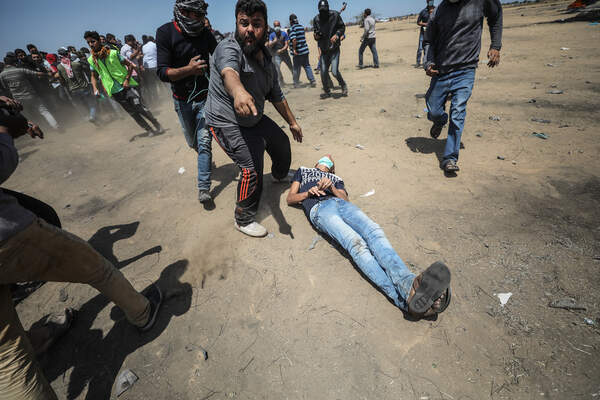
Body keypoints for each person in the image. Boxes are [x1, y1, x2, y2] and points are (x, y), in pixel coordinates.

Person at [0, 95, 163, 400]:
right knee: (96, 267)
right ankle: (142, 312)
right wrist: (6, 133)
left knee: (7, 357)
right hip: (7, 237)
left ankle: (34, 340)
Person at [286, 155, 451, 318]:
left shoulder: (335, 177)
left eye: (329, 161)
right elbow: (290, 198)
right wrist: (308, 193)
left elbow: (345, 199)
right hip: (320, 209)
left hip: (340, 204)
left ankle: (410, 287)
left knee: (374, 232)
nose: (327, 159)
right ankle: (408, 298)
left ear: (332, 168)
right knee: (356, 243)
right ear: (316, 163)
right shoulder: (304, 171)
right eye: (324, 159)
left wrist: (332, 188)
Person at [205, 0, 303, 237]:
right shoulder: (228, 48)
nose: (249, 29)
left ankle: (279, 176)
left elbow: (276, 95)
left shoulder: (266, 59)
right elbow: (229, 72)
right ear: (237, 24)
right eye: (244, 23)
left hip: (253, 116)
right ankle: (244, 217)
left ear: (265, 27)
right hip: (226, 120)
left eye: (256, 24)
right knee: (251, 168)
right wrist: (238, 91)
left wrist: (292, 122)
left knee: (281, 143)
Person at [424, 0, 503, 173]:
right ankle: (440, 121)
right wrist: (428, 62)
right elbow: (428, 40)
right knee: (434, 110)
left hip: (466, 68)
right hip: (442, 69)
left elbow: (496, 16)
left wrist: (495, 45)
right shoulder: (438, 12)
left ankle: (450, 158)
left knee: (458, 111)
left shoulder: (480, 2)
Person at [156, 0, 218, 204]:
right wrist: (189, 70)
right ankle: (204, 159)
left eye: (203, 15)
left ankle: (203, 187)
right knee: (193, 143)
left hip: (205, 98)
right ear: (183, 12)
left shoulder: (204, 32)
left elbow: (218, 55)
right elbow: (163, 72)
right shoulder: (165, 33)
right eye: (197, 15)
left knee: (204, 142)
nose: (201, 19)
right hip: (182, 101)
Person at [85, 30, 163, 136]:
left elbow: (130, 65)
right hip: (113, 90)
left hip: (127, 86)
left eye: (93, 41)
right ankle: (149, 130)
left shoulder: (113, 53)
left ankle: (156, 124)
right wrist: (95, 88)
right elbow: (93, 76)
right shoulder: (91, 60)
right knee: (132, 112)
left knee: (139, 107)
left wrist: (127, 79)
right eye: (88, 43)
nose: (91, 44)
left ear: (99, 41)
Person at [0, 53, 59, 130]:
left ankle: (38, 129)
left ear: (5, 65)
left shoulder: (2, 75)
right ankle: (56, 126)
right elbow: (37, 73)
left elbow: (5, 87)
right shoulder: (20, 70)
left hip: (18, 99)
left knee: (28, 116)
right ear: (14, 63)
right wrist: (48, 74)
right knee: (44, 111)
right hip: (31, 95)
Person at [313, 0, 347, 98]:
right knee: (323, 72)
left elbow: (342, 27)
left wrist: (337, 35)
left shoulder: (335, 15)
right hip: (324, 50)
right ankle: (327, 91)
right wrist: (316, 36)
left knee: (334, 71)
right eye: (321, 11)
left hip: (334, 49)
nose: (323, 12)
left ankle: (343, 85)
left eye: (325, 10)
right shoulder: (316, 19)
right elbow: (316, 35)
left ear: (328, 8)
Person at [56, 47, 98, 124]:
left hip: (73, 91)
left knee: (85, 105)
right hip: (84, 87)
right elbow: (87, 69)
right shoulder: (76, 64)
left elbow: (62, 81)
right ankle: (92, 116)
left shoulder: (59, 67)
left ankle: (93, 119)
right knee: (92, 103)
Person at [288, 14, 316, 88]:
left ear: (290, 21)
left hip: (298, 52)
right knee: (307, 66)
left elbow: (294, 39)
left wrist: (294, 49)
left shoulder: (292, 28)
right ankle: (312, 81)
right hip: (305, 50)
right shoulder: (301, 27)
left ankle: (295, 83)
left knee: (296, 68)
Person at [267, 20, 293, 86]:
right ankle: (280, 83)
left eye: (278, 25)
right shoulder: (272, 35)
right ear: (274, 26)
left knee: (291, 67)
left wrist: (281, 50)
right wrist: (274, 41)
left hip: (285, 54)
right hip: (277, 55)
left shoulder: (284, 34)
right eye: (275, 26)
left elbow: (286, 44)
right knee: (277, 69)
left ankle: (296, 80)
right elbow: (270, 44)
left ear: (280, 26)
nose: (277, 27)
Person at [141, 35, 160, 105]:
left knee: (153, 85)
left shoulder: (143, 47)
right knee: (163, 82)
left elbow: (144, 57)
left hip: (148, 67)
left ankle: (156, 100)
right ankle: (168, 94)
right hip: (156, 65)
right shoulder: (155, 45)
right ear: (153, 40)